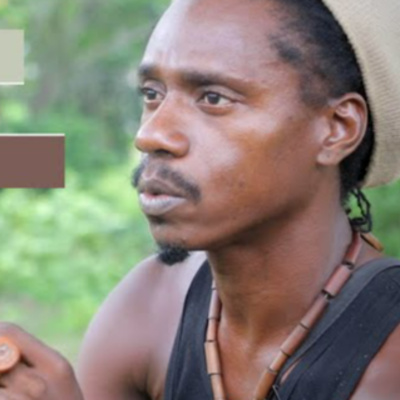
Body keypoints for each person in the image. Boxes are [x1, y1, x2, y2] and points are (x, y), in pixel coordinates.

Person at [0, 0, 400, 399]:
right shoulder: (149, 309)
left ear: (337, 129)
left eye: (213, 98)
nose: (150, 135)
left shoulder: (388, 361)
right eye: (152, 94)